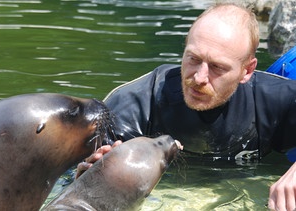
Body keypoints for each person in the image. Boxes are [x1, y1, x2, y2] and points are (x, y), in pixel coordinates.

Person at [76, 3, 296, 211]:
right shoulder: (136, 103)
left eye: (217, 67)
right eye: (193, 58)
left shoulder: (273, 100)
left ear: (247, 71)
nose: (199, 78)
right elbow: (75, 182)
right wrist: (87, 173)